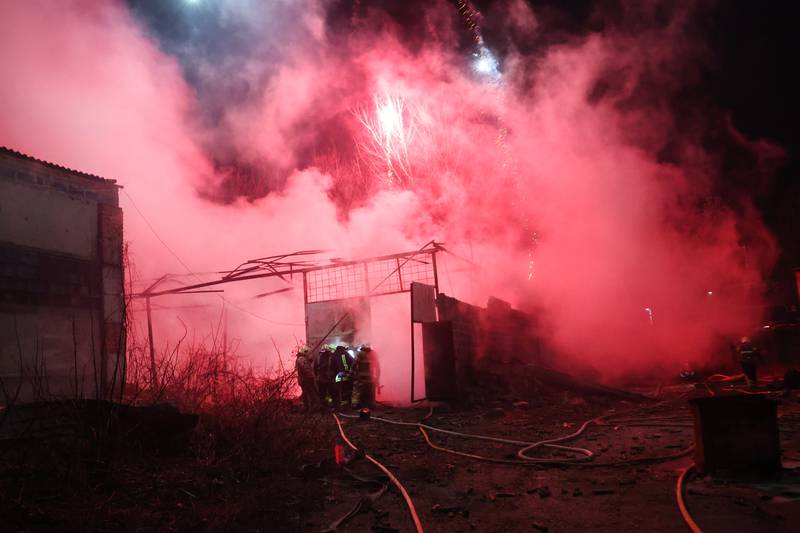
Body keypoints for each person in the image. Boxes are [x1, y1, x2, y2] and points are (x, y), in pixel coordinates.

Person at [351, 343, 380, 408]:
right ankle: (371, 403)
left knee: (361, 391)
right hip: (371, 377)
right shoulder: (373, 354)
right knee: (370, 391)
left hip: (361, 377)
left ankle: (359, 404)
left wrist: (352, 373)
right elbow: (378, 367)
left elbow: (354, 364)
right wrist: (377, 377)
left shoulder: (360, 354)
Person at [294, 344, 317, 410]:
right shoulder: (302, 359)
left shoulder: (300, 359)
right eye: (308, 353)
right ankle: (311, 408)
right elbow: (306, 369)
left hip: (303, 380)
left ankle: (308, 408)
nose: (309, 354)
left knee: (306, 394)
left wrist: (309, 361)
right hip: (306, 380)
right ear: (305, 352)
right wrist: (312, 377)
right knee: (310, 394)